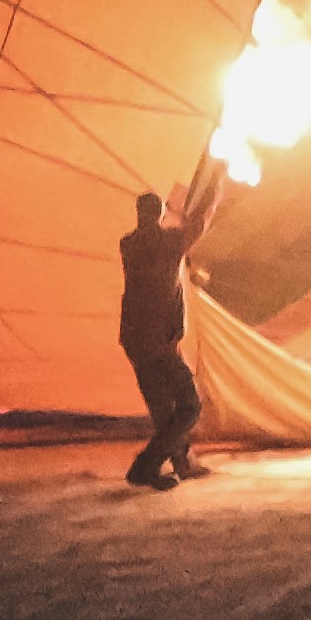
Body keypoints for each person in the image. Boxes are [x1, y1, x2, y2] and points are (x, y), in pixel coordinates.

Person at [115, 182, 207, 489]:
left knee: (162, 408)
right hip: (158, 342)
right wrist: (217, 179)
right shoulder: (166, 243)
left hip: (135, 339)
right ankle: (145, 465)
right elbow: (200, 223)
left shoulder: (128, 243)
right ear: (159, 213)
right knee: (190, 405)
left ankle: (180, 462)